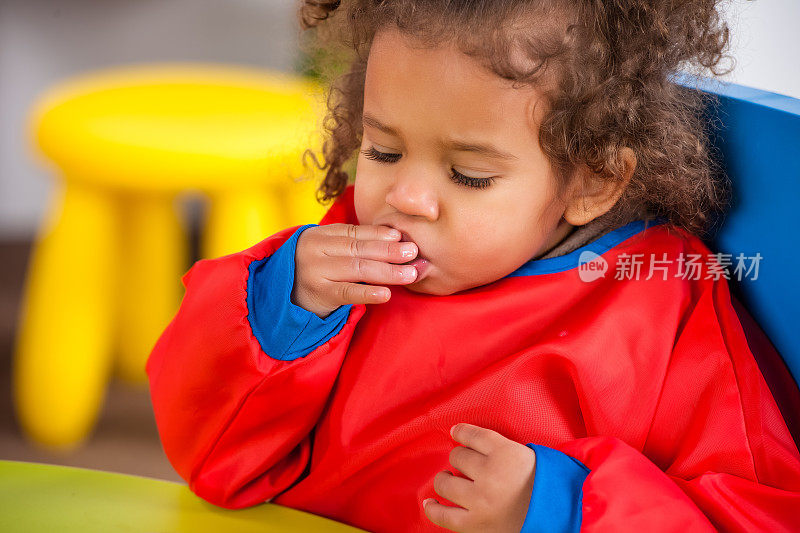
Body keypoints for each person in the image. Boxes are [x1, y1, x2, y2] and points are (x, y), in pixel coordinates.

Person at [146, 1, 800, 531]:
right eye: (383, 150)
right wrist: (278, 308)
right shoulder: (340, 262)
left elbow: (759, 511)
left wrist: (560, 508)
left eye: (468, 174)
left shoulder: (668, 315)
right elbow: (214, 459)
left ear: (593, 181)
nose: (405, 198)